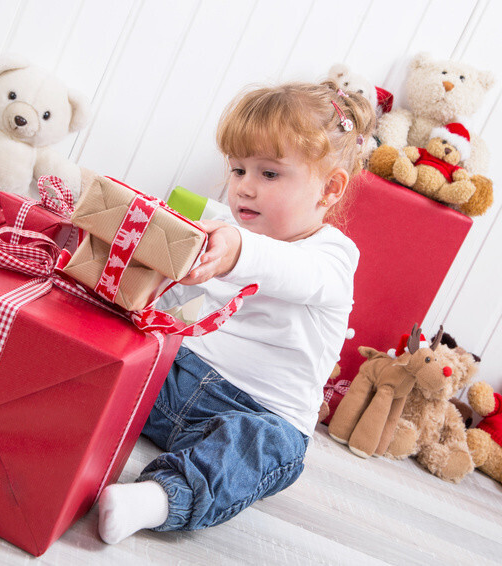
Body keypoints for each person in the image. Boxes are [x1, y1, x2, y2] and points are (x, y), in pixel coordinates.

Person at [97, 81, 376, 544]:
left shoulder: (332, 257)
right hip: (182, 377)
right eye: (238, 169)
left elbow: (289, 270)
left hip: (260, 413)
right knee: (125, 353)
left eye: (269, 174)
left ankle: (153, 499)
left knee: (261, 452)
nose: (245, 188)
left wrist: (237, 249)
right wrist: (130, 303)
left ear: (328, 189)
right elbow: (169, 295)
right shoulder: (228, 233)